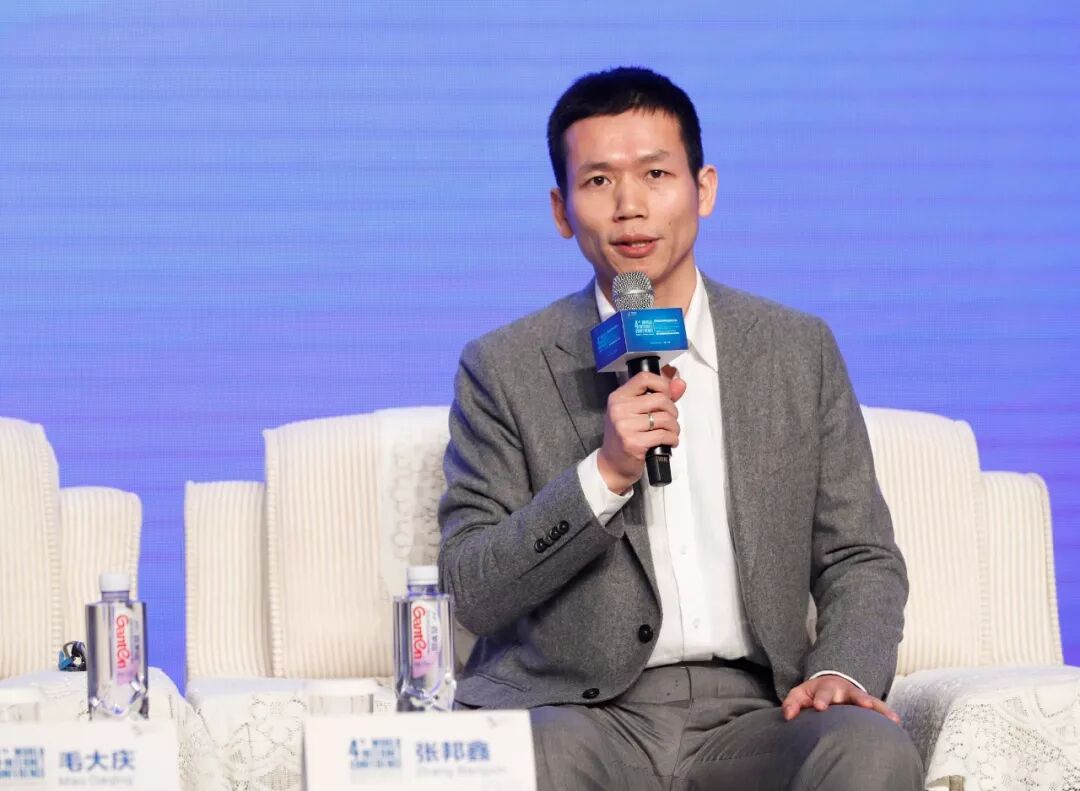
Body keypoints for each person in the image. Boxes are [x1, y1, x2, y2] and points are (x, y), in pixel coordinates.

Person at [438, 66, 922, 790]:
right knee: (529, 761)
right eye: (598, 180)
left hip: (759, 714)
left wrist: (841, 671)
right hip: (578, 716)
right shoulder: (503, 367)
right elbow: (471, 589)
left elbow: (860, 555)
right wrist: (603, 476)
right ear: (562, 210)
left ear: (704, 189)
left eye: (656, 174)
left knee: (869, 750)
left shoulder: (796, 350)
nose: (630, 206)